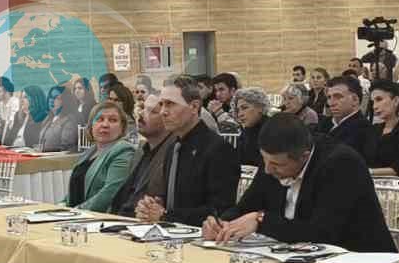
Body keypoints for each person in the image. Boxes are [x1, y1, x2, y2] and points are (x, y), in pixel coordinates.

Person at [204, 113, 396, 252]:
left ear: (304, 156)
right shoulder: (273, 160)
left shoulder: (341, 164)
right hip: (296, 257)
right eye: (264, 160)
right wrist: (222, 223)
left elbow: (322, 233)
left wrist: (261, 220)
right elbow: (246, 207)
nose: (268, 170)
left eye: (277, 165)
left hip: (359, 260)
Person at [132, 76, 239, 226]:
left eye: (170, 104)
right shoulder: (173, 148)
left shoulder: (218, 149)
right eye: (161, 104)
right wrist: (152, 206)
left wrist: (166, 215)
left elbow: (221, 210)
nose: (163, 112)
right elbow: (176, 200)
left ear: (194, 107)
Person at [64, 103, 136, 211]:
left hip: (97, 217)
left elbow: (111, 191)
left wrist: (76, 211)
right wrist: (60, 207)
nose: (105, 125)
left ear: (122, 128)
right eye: (100, 119)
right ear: (91, 126)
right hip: (76, 215)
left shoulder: (124, 150)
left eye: (113, 120)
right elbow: (75, 190)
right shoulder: (89, 152)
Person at [318, 75, 370, 144]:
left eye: (338, 97)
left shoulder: (363, 129)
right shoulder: (324, 123)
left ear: (355, 100)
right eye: (329, 97)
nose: (331, 103)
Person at [231, 87, 271, 167]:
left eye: (244, 108)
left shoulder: (272, 130)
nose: (240, 114)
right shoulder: (246, 131)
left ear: (260, 107)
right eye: (238, 110)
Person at [32, 85, 77, 153]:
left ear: (65, 101)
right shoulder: (48, 119)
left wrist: (44, 150)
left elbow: (66, 148)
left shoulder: (69, 121)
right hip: (43, 156)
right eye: (51, 97)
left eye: (57, 98)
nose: (52, 100)